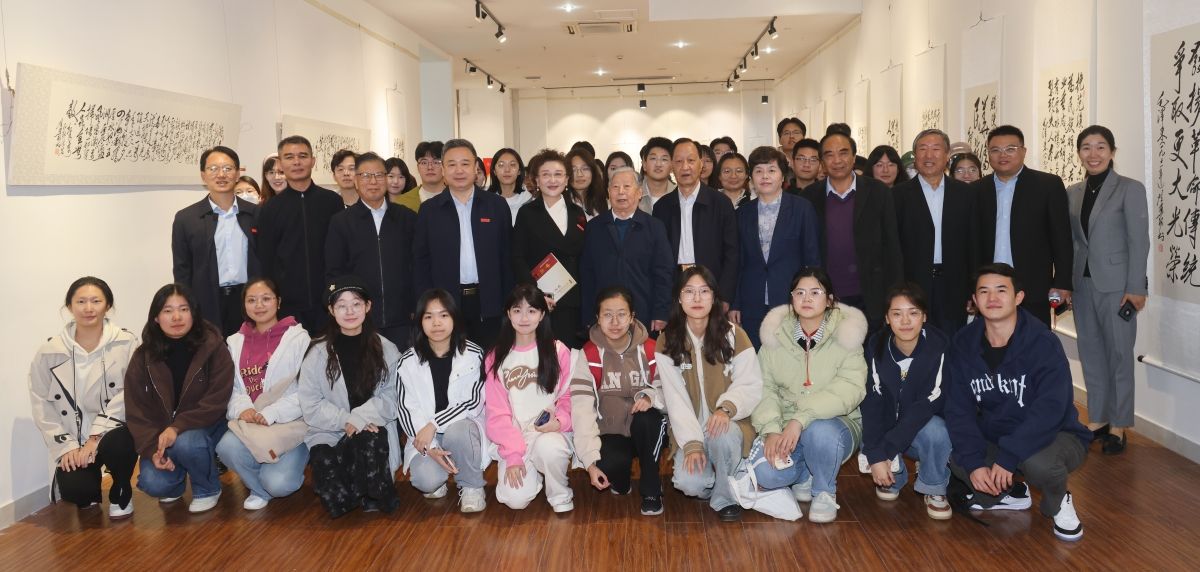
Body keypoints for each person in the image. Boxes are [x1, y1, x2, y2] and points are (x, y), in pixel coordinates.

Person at [945, 263, 1090, 541]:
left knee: (1039, 465)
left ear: (1019, 297)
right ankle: (1011, 493)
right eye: (984, 291)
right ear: (974, 300)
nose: (992, 298)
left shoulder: (1042, 342)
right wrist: (975, 463)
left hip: (1056, 435)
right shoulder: (963, 343)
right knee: (960, 460)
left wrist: (1009, 456)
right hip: (998, 434)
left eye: (1001, 290)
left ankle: (1058, 501)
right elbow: (958, 408)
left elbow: (1050, 410)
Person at [749, 267, 867, 523]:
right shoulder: (774, 337)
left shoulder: (847, 336)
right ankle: (805, 474)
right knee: (766, 474)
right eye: (799, 292)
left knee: (819, 432)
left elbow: (850, 388)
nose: (807, 298)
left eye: (815, 292)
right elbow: (764, 387)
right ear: (791, 299)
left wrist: (800, 419)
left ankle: (824, 490)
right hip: (785, 426)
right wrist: (771, 430)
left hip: (836, 425)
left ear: (830, 300)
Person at [1066, 125, 1149, 455]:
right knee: (1090, 352)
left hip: (1118, 287)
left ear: (1112, 152)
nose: (1093, 154)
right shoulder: (1073, 192)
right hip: (1082, 285)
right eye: (1086, 147)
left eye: (1101, 147)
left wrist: (1136, 287)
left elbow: (1139, 241)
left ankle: (1119, 424)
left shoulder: (1130, 189)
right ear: (1079, 154)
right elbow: (1074, 242)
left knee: (1119, 354)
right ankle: (1099, 417)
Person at [658, 266, 763, 521]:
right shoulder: (667, 340)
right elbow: (674, 398)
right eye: (689, 291)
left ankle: (725, 497)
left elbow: (750, 383)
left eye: (704, 291)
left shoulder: (734, 334)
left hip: (728, 424)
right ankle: (721, 479)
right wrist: (692, 444)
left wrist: (726, 408)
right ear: (679, 298)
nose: (697, 298)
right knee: (689, 484)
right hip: (690, 429)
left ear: (714, 297)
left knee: (722, 434)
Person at [29, 277, 139, 519]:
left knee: (121, 444)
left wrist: (95, 437)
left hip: (112, 430)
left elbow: (131, 392)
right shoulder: (49, 352)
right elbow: (41, 403)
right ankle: (89, 485)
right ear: (69, 306)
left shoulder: (127, 343)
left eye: (96, 301)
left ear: (108, 305)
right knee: (77, 492)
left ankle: (121, 488)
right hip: (74, 437)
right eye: (81, 302)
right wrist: (66, 446)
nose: (88, 308)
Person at [124, 283, 234, 513]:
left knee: (187, 442)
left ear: (194, 313)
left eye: (184, 309)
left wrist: (178, 427)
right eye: (168, 310)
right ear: (156, 317)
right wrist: (152, 449)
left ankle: (207, 488)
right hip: (162, 436)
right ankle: (176, 480)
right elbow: (136, 410)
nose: (176, 317)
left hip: (207, 426)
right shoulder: (143, 356)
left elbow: (217, 400)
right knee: (154, 484)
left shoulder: (213, 346)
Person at [299, 277, 402, 517]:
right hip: (330, 429)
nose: (350, 311)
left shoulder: (386, 349)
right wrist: (346, 420)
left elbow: (394, 396)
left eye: (356, 304)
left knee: (370, 444)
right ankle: (352, 491)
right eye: (341, 306)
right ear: (331, 310)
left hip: (373, 427)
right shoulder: (317, 352)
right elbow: (310, 404)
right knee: (334, 495)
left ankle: (371, 493)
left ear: (368, 306)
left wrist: (360, 418)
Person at [215, 278, 311, 511]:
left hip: (290, 424)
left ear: (278, 302)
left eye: (266, 298)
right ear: (244, 305)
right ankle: (259, 489)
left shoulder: (299, 339)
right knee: (225, 447)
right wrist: (243, 408)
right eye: (252, 300)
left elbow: (308, 390)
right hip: (253, 424)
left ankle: (274, 477)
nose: (259, 305)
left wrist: (272, 413)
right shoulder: (234, 342)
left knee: (280, 484)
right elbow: (231, 388)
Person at [570, 285, 666, 516]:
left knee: (648, 420)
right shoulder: (589, 354)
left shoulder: (652, 350)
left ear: (632, 317)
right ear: (597, 318)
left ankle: (651, 490)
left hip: (646, 430)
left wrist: (651, 396)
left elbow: (670, 390)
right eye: (607, 315)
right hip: (610, 432)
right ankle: (620, 480)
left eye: (622, 314)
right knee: (610, 465)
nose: (615, 322)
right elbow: (582, 410)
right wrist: (590, 462)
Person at [861, 283, 952, 520]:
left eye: (913, 313)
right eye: (897, 314)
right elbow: (872, 402)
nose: (905, 321)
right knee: (868, 426)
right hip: (888, 425)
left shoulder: (939, 347)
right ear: (887, 319)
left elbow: (927, 404)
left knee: (937, 430)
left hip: (921, 427)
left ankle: (934, 485)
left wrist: (886, 451)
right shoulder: (876, 346)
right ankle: (894, 475)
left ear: (924, 316)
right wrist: (876, 455)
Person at [413, 138, 513, 350]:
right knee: (451, 360)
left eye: (465, 163)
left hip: (490, 303)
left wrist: (509, 302)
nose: (459, 170)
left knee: (490, 360)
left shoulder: (496, 206)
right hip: (445, 304)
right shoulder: (429, 211)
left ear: (476, 167)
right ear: (443, 169)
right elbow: (420, 262)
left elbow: (507, 257)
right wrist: (427, 305)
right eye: (451, 164)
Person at [800, 132, 904, 333]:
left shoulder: (878, 192)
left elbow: (892, 247)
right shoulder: (809, 197)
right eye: (829, 155)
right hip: (825, 297)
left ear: (854, 157)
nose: (837, 160)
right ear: (822, 162)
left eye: (843, 153)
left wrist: (895, 296)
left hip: (870, 296)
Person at [396, 289, 489, 513]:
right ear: (420, 321)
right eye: (429, 316)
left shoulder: (473, 353)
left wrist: (434, 424)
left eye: (444, 315)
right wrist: (431, 447)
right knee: (426, 481)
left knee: (458, 432)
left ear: (454, 318)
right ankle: (440, 476)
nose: (436, 323)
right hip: (424, 435)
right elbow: (405, 410)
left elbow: (472, 402)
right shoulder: (407, 361)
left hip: (462, 429)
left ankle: (472, 486)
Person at [484, 285, 575, 511]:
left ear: (542, 314)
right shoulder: (496, 357)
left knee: (550, 450)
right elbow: (496, 412)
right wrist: (513, 455)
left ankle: (560, 493)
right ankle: (533, 470)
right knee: (515, 500)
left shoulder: (558, 351)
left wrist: (560, 421)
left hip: (549, 432)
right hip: (514, 437)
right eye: (517, 310)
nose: (524, 318)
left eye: (532, 311)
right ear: (508, 314)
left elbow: (568, 397)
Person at [974, 125, 1074, 326]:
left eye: (1010, 149)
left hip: (1033, 286)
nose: (1003, 155)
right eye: (995, 150)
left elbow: (1061, 238)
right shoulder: (977, 190)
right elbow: (972, 242)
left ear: (1023, 151)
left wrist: (1062, 283)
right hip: (988, 286)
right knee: (991, 340)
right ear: (988, 154)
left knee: (1034, 340)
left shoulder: (1048, 185)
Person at [325, 151, 418, 349]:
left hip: (402, 318)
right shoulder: (341, 222)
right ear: (356, 181)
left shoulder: (407, 218)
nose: (373, 181)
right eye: (366, 176)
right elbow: (334, 270)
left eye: (379, 175)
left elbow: (417, 264)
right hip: (360, 319)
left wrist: (415, 305)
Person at [732, 146, 821, 348]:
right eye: (758, 171)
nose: (765, 176)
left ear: (782, 176)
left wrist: (812, 298)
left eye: (771, 170)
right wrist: (735, 303)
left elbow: (812, 258)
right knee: (754, 356)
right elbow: (738, 262)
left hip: (791, 299)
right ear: (751, 178)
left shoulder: (802, 208)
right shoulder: (742, 213)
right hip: (751, 301)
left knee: (791, 356)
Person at [892, 129, 979, 334]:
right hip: (912, 284)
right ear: (915, 156)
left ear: (947, 155)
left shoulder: (966, 194)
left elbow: (974, 244)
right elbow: (893, 247)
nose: (929, 155)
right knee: (916, 340)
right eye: (923, 149)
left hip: (955, 284)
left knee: (953, 340)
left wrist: (973, 288)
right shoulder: (897, 195)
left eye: (936, 149)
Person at [256, 135, 344, 334]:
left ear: (313, 161)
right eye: (289, 157)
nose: (296, 162)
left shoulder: (332, 202)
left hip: (330, 301)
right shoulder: (270, 208)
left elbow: (341, 251)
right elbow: (266, 259)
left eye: (303, 156)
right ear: (281, 163)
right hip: (288, 306)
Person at [172, 146, 261, 337]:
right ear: (203, 175)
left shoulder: (255, 214)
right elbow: (182, 269)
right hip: (207, 302)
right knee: (212, 351)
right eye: (213, 169)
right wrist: (186, 306)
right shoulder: (186, 218)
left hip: (250, 300)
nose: (221, 174)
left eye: (228, 168)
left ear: (237, 174)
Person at [580, 167, 674, 333]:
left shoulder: (654, 227)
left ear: (639, 193)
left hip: (643, 312)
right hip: (604, 317)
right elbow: (587, 275)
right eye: (615, 187)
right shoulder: (594, 227)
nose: (621, 192)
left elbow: (664, 273)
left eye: (627, 186)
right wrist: (589, 316)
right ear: (608, 192)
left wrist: (661, 312)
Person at [512, 148, 587, 348]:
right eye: (546, 175)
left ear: (566, 179)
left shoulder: (577, 213)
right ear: (536, 180)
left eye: (558, 174)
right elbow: (518, 257)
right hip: (540, 300)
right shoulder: (527, 213)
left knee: (569, 356)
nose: (552, 180)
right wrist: (535, 294)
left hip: (572, 300)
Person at [653, 137, 739, 304]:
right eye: (679, 161)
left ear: (701, 164)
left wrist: (725, 296)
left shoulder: (721, 203)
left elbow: (732, 254)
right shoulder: (661, 208)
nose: (685, 167)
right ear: (671, 166)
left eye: (691, 160)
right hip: (674, 289)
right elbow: (658, 258)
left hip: (711, 286)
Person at [396, 140, 447, 214]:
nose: (430, 167)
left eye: (436, 162)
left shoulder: (456, 198)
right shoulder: (403, 202)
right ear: (417, 167)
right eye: (424, 162)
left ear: (444, 166)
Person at [489, 148, 532, 224]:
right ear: (494, 171)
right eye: (501, 165)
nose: (507, 170)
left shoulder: (529, 201)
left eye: (512, 165)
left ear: (519, 171)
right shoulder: (486, 201)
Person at [638, 137, 676, 212]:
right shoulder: (633, 194)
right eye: (653, 158)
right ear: (644, 165)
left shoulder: (680, 195)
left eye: (664, 159)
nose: (658, 164)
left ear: (672, 167)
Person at [569, 148, 608, 219]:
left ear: (593, 172)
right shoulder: (562, 202)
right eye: (573, 170)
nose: (579, 174)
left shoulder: (602, 200)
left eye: (585, 169)